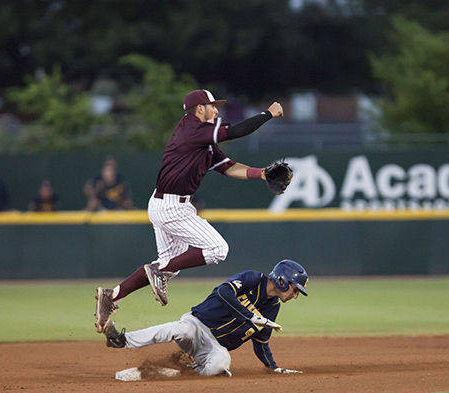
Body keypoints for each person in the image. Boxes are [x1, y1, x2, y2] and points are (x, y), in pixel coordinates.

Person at [94, 89, 285, 333]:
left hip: (166, 203)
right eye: (212, 106)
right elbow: (236, 131)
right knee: (218, 249)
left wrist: (261, 173)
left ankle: (112, 297)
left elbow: (228, 167)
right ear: (199, 108)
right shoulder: (193, 128)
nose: (216, 110)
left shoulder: (203, 138)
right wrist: (267, 114)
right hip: (172, 206)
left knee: (167, 264)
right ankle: (158, 272)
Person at [104, 259, 308, 377]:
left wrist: (274, 367)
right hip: (197, 324)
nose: (295, 295)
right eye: (294, 288)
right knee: (181, 329)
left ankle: (183, 372)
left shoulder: (272, 308)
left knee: (222, 362)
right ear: (282, 281)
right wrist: (250, 316)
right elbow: (223, 293)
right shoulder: (252, 278)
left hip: (212, 347)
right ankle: (121, 340)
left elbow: (261, 343)